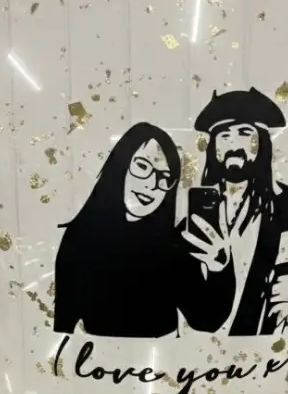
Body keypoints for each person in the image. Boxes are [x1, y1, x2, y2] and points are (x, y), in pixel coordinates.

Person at [53, 122, 235, 338]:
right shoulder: (81, 238)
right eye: (142, 166)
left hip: (164, 356)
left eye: (164, 177)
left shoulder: (174, 243)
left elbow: (206, 321)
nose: (152, 184)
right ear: (119, 167)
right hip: (95, 356)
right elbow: (63, 325)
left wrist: (219, 269)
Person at [181, 87, 288, 336]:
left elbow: (286, 267)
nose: (233, 144)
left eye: (244, 133)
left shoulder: (284, 201)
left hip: (255, 327)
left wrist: (283, 302)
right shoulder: (200, 204)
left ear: (261, 142)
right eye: (224, 135)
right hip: (201, 331)